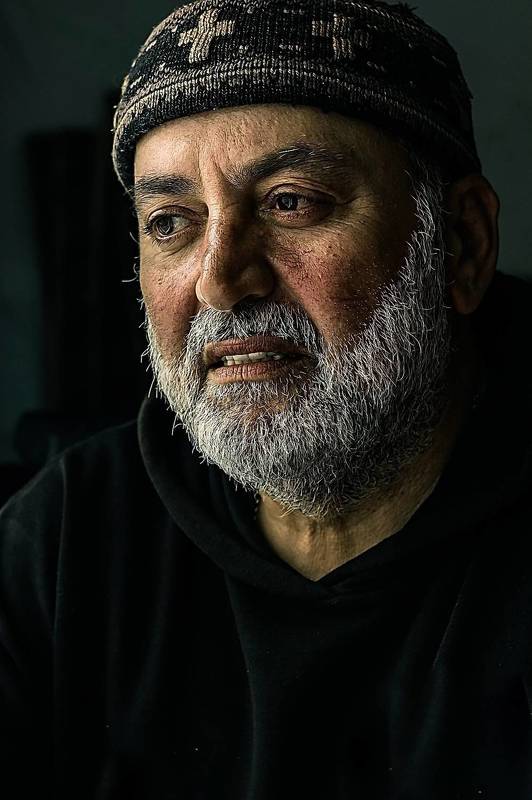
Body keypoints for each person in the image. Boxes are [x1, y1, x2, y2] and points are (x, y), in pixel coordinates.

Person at [1, 0, 531, 797]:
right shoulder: (64, 542)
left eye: (291, 202)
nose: (221, 281)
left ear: (460, 245)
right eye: (171, 222)